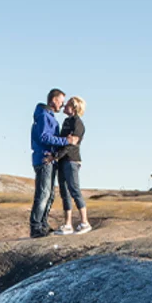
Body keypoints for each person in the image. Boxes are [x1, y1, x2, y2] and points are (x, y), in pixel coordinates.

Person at [29, 89, 79, 238]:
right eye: (61, 101)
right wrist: (65, 141)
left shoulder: (48, 116)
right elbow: (44, 137)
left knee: (49, 195)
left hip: (49, 160)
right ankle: (36, 226)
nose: (62, 105)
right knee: (43, 193)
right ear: (54, 100)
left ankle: (43, 224)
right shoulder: (44, 116)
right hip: (44, 159)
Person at [51, 96, 90, 234]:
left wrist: (57, 156)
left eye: (67, 105)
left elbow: (71, 143)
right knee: (64, 192)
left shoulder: (78, 124)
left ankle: (84, 222)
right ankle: (68, 224)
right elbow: (63, 141)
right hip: (62, 160)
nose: (64, 106)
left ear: (74, 108)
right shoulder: (67, 121)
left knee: (74, 189)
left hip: (71, 160)